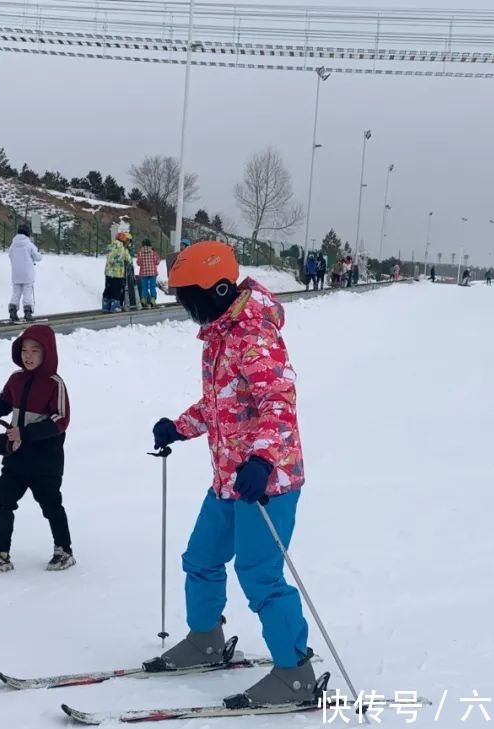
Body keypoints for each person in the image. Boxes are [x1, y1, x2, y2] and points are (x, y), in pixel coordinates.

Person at [144, 241, 314, 709]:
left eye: (187, 296)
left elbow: (278, 403)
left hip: (268, 482)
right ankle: (206, 639)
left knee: (259, 574)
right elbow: (221, 405)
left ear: (217, 289)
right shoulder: (221, 334)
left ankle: (295, 671)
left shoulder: (255, 333)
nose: (184, 307)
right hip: (228, 478)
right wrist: (179, 427)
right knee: (200, 557)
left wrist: (262, 461)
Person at [0, 324, 75, 574]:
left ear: (47, 354)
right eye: (24, 350)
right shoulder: (16, 379)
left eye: (34, 350)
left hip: (45, 460)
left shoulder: (55, 384)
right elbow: (3, 402)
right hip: (16, 456)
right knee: (3, 501)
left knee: (51, 504)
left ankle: (64, 550)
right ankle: (1, 555)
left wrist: (26, 433)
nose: (28, 356)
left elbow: (61, 420)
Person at [8, 223, 41, 322]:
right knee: (27, 293)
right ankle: (27, 312)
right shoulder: (29, 244)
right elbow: (37, 257)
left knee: (16, 293)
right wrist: (40, 255)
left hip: (16, 273)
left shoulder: (13, 244)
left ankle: (12, 310)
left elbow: (10, 255)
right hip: (27, 274)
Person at [102, 231, 132, 312]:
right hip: (118, 274)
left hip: (108, 272)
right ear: (124, 240)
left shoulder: (111, 246)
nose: (128, 243)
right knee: (116, 290)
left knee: (108, 288)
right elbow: (129, 259)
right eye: (128, 240)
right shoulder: (123, 249)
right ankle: (115, 307)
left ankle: (105, 305)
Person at [136, 238, 161, 308]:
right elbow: (157, 262)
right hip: (153, 273)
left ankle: (144, 300)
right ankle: (153, 299)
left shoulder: (140, 253)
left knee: (144, 287)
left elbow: (138, 263)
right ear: (150, 244)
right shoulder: (153, 252)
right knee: (152, 286)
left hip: (143, 273)